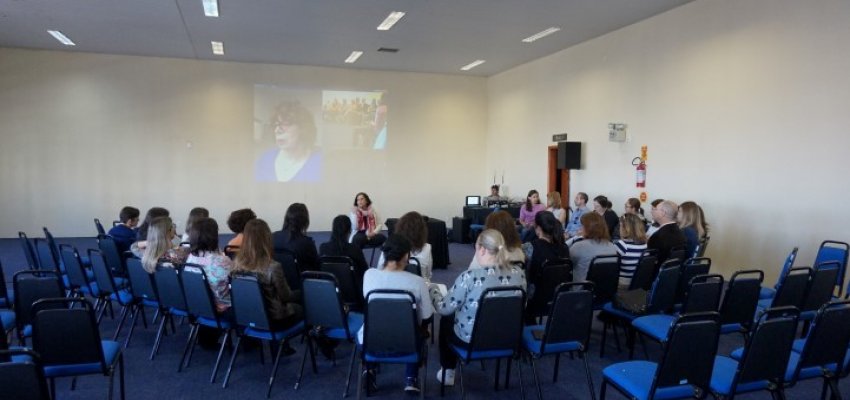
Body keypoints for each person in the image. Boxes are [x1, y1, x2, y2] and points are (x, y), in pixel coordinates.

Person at [430, 229, 526, 387]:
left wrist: (433, 290)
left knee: (447, 319)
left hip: (471, 340)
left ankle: (448, 371)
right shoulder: (519, 274)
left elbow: (443, 308)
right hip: (508, 338)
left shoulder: (469, 277)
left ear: (481, 249)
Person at [360, 235, 434, 394]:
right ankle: (410, 378)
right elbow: (427, 316)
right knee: (420, 326)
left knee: (375, 321)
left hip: (372, 339)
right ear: (406, 256)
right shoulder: (417, 282)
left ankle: (370, 370)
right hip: (408, 341)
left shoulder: (369, 275)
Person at [233, 219, 303, 332]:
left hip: (248, 316)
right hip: (275, 319)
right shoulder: (273, 267)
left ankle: (283, 348)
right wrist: (302, 292)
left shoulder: (236, 265)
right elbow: (286, 297)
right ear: (267, 239)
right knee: (304, 308)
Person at [255, 101, 322, 182]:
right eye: (276, 125)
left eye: (285, 124)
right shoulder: (265, 159)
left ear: (303, 128)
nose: (277, 130)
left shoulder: (320, 161)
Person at [523, 211, 569, 320]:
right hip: (559, 295)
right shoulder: (564, 247)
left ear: (538, 228)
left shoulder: (529, 247)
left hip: (535, 297)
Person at [185, 218, 233, 313]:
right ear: (213, 236)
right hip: (223, 308)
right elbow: (235, 282)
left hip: (199, 305)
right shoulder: (222, 261)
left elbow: (207, 262)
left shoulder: (190, 258)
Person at [377, 211, 433, 281]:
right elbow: (428, 275)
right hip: (418, 284)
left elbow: (380, 268)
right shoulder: (427, 248)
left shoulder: (389, 244)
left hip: (389, 284)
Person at [569, 212, 617, 282]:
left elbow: (568, 265)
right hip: (605, 290)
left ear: (587, 228)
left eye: (582, 226)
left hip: (580, 289)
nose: (580, 228)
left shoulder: (579, 246)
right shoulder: (612, 246)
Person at [319, 215, 369, 281]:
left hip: (330, 288)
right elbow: (365, 272)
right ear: (349, 231)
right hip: (352, 289)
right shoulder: (354, 249)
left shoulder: (323, 248)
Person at [272, 203, 320, 271]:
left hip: (275, 280)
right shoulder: (307, 243)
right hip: (298, 281)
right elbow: (317, 269)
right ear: (305, 221)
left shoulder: (272, 237)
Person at [647, 200, 687, 265]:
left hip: (655, 272)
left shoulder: (658, 237)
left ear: (663, 213)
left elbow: (649, 262)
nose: (652, 212)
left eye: (656, 209)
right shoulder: (680, 232)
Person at [615, 214, 648, 288]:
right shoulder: (645, 245)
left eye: (620, 226)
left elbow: (611, 266)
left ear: (625, 228)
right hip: (638, 281)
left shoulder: (622, 245)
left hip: (622, 282)